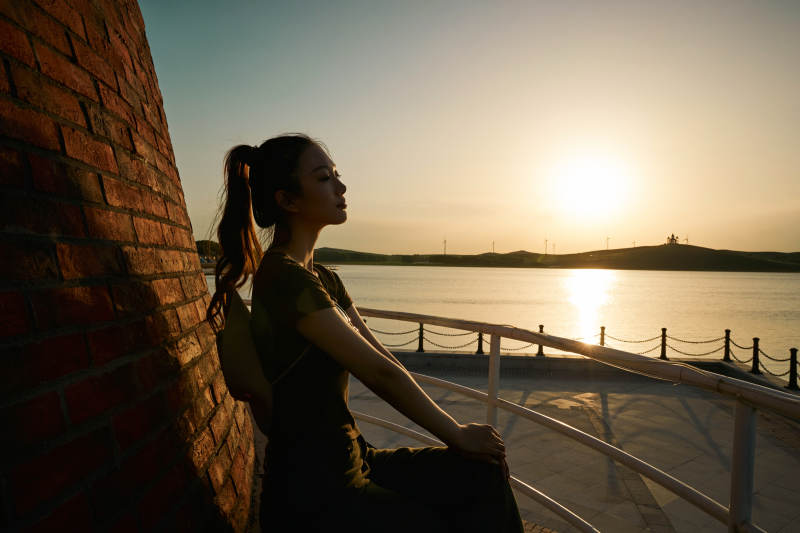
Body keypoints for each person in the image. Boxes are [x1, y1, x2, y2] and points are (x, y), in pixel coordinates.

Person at [207, 133, 524, 532]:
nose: (341, 187)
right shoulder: (282, 277)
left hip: (356, 459)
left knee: (483, 472)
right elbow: (378, 374)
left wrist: (465, 443)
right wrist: (456, 433)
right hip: (316, 491)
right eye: (324, 178)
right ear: (287, 200)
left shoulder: (322, 277)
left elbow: (382, 357)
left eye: (337, 175)